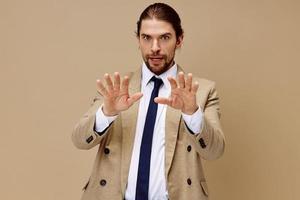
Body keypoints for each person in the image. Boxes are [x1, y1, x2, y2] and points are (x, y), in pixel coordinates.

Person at [72, 3, 225, 200]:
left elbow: (215, 151)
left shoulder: (201, 91)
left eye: (164, 38)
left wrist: (192, 113)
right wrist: (106, 114)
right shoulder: (117, 88)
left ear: (179, 39)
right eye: (147, 38)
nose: (155, 48)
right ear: (138, 39)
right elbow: (79, 140)